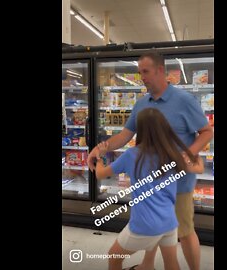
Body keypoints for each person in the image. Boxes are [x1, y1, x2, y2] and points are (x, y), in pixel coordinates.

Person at [88, 51, 214, 270]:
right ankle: (148, 265)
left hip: (179, 182)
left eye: (145, 72)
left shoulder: (184, 100)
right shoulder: (142, 104)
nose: (142, 77)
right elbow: (124, 136)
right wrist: (99, 148)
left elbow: (206, 131)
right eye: (139, 72)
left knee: (185, 232)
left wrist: (186, 155)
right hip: (152, 182)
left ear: (160, 71)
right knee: (160, 229)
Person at [95, 108, 204, 270]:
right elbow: (199, 168)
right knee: (172, 264)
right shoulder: (172, 153)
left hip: (143, 225)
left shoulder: (131, 155)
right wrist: (192, 153)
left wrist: (100, 157)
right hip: (169, 222)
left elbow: (100, 173)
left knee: (114, 257)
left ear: (140, 130)